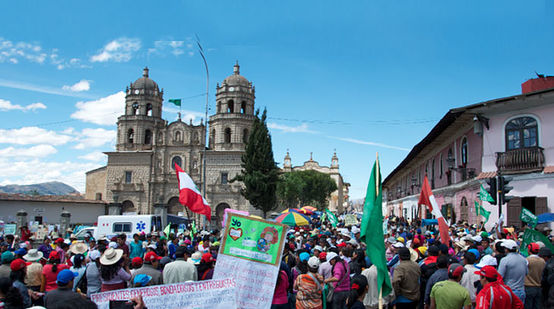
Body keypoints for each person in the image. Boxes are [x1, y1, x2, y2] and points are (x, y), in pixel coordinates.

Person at [524, 243, 545, 309]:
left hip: (528, 287)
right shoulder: (542, 261)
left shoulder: (527, 260)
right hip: (538, 287)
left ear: (529, 250)